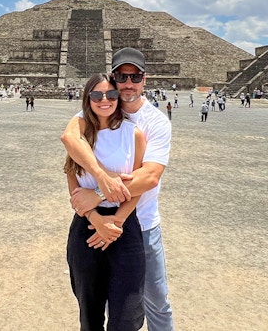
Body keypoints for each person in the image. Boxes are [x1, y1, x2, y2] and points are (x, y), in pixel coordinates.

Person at [62, 47, 175, 330]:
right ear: (113, 78)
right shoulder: (95, 112)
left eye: (134, 76)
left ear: (144, 79)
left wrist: (100, 196)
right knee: (98, 304)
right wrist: (99, 189)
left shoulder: (154, 123)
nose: (128, 83)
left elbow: (149, 178)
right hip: (92, 224)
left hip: (141, 223)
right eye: (122, 77)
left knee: (154, 301)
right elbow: (69, 141)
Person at [65, 73, 147, 331]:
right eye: (97, 95)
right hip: (87, 226)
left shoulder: (133, 133)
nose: (105, 100)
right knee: (89, 313)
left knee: (128, 314)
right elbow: (74, 183)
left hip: (124, 225)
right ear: (87, 98)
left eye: (111, 94)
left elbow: (138, 186)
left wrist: (116, 222)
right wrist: (96, 219)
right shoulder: (79, 134)